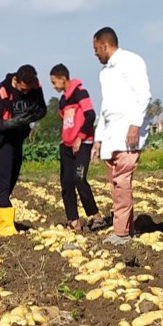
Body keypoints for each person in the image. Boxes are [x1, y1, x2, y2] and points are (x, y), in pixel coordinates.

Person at [91, 27, 151, 243]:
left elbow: (144, 95)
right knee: (116, 184)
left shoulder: (131, 61)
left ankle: (122, 233)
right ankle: (125, 228)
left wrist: (135, 125)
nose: (95, 53)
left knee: (122, 181)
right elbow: (105, 108)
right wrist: (98, 139)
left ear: (105, 45)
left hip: (127, 134)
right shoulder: (105, 73)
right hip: (111, 136)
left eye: (96, 48)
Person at [0, 65, 46, 236]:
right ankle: (8, 230)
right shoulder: (1, 91)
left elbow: (42, 109)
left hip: (16, 141)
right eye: (22, 90)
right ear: (16, 81)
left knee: (9, 185)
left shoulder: (34, 86)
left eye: (28, 90)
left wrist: (33, 115)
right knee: (1, 188)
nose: (25, 93)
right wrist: (12, 122)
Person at [50, 64, 104, 231]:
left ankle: (96, 216)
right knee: (66, 182)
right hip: (66, 145)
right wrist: (65, 139)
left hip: (83, 143)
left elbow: (90, 115)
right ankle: (73, 220)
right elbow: (65, 122)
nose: (53, 86)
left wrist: (79, 138)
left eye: (54, 82)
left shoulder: (81, 93)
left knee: (79, 178)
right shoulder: (63, 100)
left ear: (62, 78)